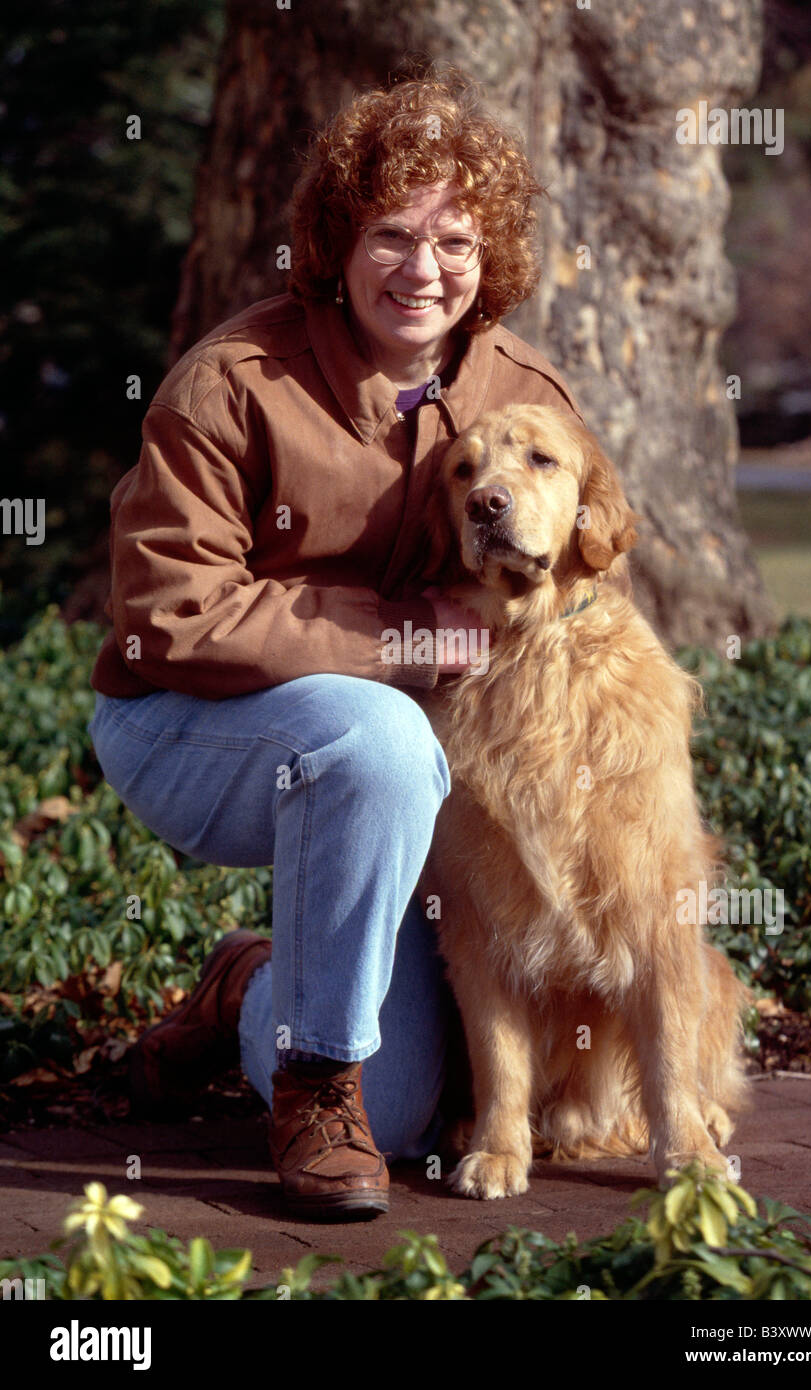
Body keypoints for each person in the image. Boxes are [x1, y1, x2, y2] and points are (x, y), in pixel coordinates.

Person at [87, 64, 593, 1221]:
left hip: (397, 771)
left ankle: (250, 985)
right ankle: (312, 1083)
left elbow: (586, 563)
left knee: (409, 1108)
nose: (425, 269)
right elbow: (170, 615)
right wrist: (409, 639)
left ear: (490, 254)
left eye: (456, 240)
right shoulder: (233, 381)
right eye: (392, 235)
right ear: (336, 239)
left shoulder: (523, 393)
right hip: (185, 725)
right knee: (371, 733)